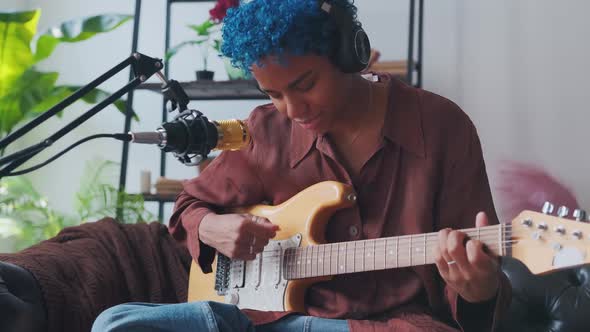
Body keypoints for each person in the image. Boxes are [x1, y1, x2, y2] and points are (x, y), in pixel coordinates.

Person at [92, 0, 510, 331]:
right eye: (273, 94)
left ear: (349, 55)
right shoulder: (265, 130)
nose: (292, 110)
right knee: (116, 322)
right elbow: (189, 206)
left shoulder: (440, 127)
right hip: (260, 317)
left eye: (304, 85)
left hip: (393, 325)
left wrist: (479, 287)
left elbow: (475, 272)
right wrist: (209, 226)